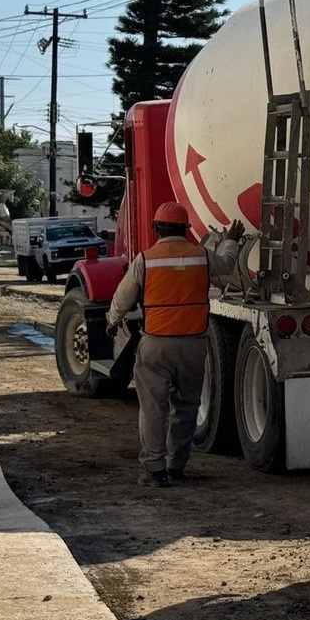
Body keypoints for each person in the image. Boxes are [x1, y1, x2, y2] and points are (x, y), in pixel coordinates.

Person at [106, 202, 245, 487]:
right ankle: (176, 465)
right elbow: (227, 265)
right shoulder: (201, 256)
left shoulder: (145, 260)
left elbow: (122, 298)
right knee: (186, 407)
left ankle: (154, 470)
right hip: (193, 345)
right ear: (185, 229)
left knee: (153, 409)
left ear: (156, 229)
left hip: (156, 345)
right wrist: (231, 241)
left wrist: (112, 321)